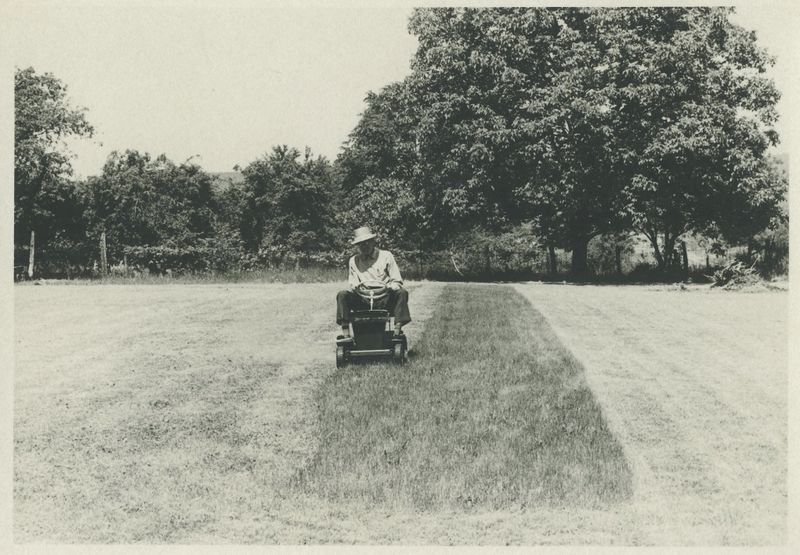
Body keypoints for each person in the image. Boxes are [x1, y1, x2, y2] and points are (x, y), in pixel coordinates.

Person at [336, 226, 411, 338]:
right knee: (342, 295)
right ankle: (346, 330)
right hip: (363, 298)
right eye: (361, 244)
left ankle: (397, 328)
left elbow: (397, 281)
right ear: (357, 246)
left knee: (402, 293)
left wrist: (390, 286)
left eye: (367, 242)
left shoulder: (386, 256)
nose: (364, 246)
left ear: (373, 241)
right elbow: (353, 283)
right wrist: (356, 288)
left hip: (384, 297)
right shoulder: (354, 261)